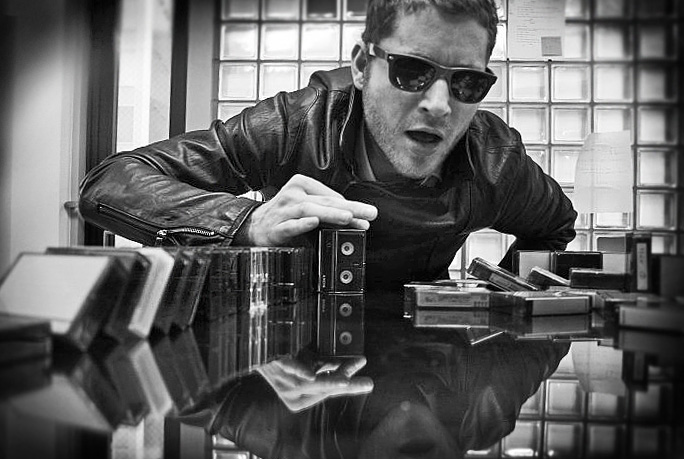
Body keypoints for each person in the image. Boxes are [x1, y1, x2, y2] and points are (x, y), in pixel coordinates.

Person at [79, 0, 577, 291]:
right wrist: (247, 223)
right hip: (294, 364)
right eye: (412, 71)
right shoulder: (297, 123)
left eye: (467, 82)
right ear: (361, 66)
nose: (439, 105)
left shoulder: (494, 158)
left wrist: (497, 312)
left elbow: (555, 228)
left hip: (427, 369)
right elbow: (110, 182)